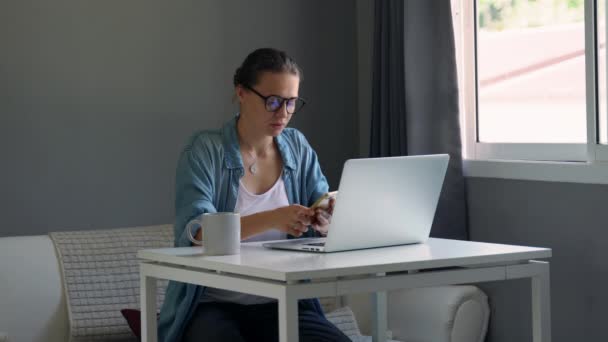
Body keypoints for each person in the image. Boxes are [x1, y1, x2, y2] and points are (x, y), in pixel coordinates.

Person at [158, 48, 350, 342]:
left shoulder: (297, 147)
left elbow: (323, 202)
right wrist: (274, 218)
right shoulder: (204, 151)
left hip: (281, 301)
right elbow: (198, 232)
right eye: (272, 101)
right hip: (212, 304)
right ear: (242, 93)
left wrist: (324, 219)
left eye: (291, 102)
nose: (283, 113)